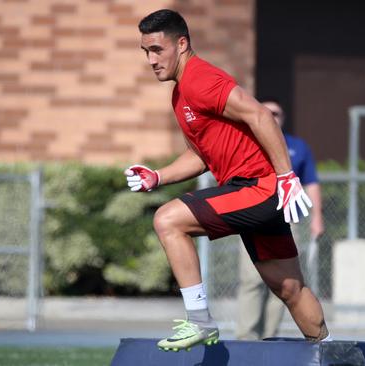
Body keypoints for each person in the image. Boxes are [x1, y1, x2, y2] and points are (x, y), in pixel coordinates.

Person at [125, 9, 330, 351]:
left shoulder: (200, 79)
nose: (150, 59)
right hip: (255, 191)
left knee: (168, 220)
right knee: (290, 288)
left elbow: (260, 114)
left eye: (157, 50)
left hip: (259, 188)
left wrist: (286, 176)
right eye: (145, 51)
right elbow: (201, 156)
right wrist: (158, 176)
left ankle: (200, 321)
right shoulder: (180, 94)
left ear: (182, 43)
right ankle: (333, 351)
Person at [236, 99, 324, 340]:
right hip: (253, 219)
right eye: (267, 112)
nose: (273, 116)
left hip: (288, 219)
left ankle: (269, 338)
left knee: (287, 282)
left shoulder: (297, 146)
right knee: (251, 280)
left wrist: (317, 217)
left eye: (277, 112)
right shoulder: (247, 142)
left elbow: (311, 183)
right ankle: (246, 339)